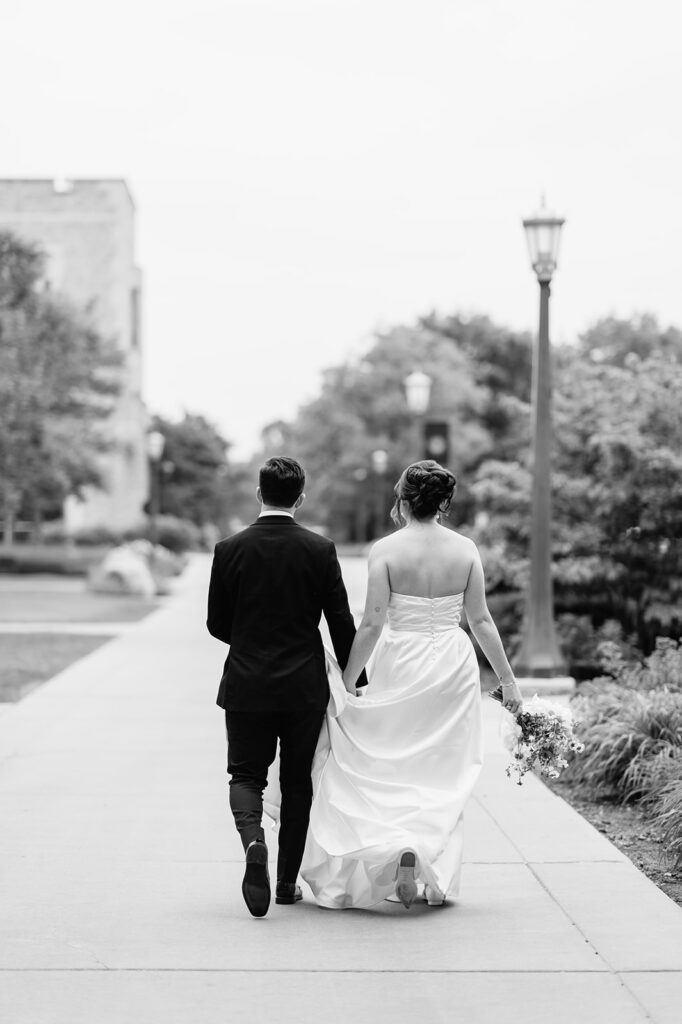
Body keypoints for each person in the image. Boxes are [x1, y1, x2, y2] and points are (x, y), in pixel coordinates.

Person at [300, 460, 523, 910]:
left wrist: (346, 681)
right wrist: (507, 680)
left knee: (392, 761)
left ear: (402, 499)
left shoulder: (385, 550)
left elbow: (373, 622)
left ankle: (398, 842)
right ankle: (422, 852)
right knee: (441, 769)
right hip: (451, 665)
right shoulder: (465, 549)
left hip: (400, 658)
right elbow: (479, 619)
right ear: (444, 502)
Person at [207, 456, 365, 918]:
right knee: (297, 785)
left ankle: (254, 841)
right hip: (302, 687)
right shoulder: (320, 549)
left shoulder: (228, 548)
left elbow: (217, 624)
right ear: (300, 498)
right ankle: (285, 884)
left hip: (246, 684)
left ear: (259, 495)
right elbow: (341, 623)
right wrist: (357, 684)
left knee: (246, 776)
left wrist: (253, 639)